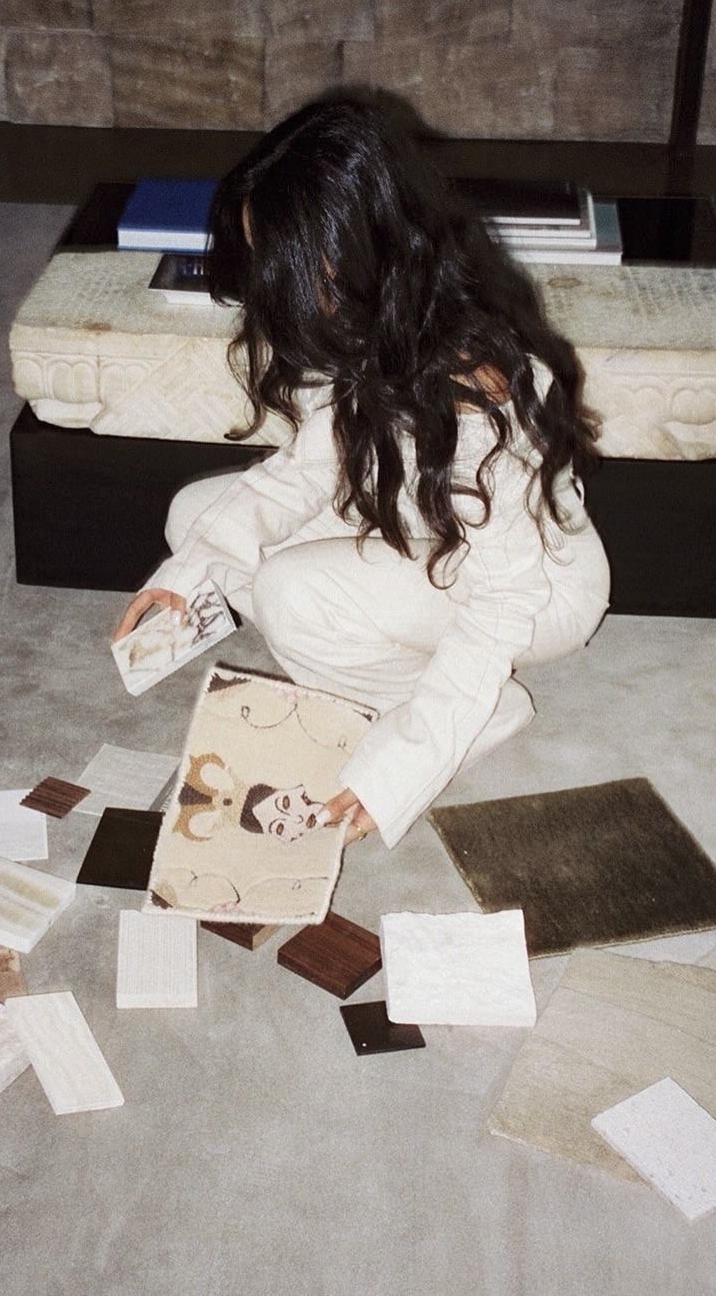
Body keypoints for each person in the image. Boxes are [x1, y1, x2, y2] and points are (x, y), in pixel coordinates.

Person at [114, 95, 610, 849]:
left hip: (534, 586)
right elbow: (301, 473)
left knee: (289, 593)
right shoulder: (364, 325)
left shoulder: (477, 398)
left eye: (279, 265)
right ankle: (381, 659)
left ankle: (470, 711)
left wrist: (398, 769)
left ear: (356, 258)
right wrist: (185, 575)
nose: (263, 287)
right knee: (196, 518)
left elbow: (499, 603)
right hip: (419, 517)